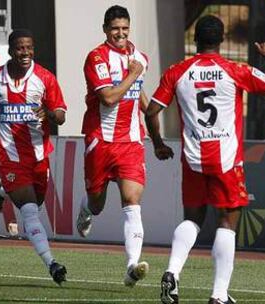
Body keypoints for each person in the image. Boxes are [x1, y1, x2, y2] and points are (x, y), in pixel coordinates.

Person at [145, 15, 265, 304]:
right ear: (221, 41)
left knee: (193, 219)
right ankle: (219, 296)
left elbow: (150, 112)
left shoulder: (178, 71)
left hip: (193, 158)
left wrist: (159, 144)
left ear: (195, 40)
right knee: (226, 222)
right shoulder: (235, 70)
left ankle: (173, 272)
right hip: (226, 159)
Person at [0, 29, 67, 286]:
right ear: (10, 51)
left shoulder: (45, 78)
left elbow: (61, 114)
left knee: (35, 204)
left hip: (38, 154)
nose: (25, 53)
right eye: (20, 48)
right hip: (7, 153)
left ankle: (1, 190)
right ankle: (52, 263)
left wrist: (48, 112)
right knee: (29, 212)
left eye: (29, 48)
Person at [76, 5, 149, 287]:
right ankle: (85, 208)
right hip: (100, 140)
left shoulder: (139, 58)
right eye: (115, 28)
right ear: (106, 29)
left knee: (132, 201)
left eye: (125, 29)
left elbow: (139, 95)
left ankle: (132, 267)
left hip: (131, 141)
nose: (120, 33)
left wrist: (155, 136)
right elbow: (108, 98)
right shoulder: (96, 57)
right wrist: (132, 74)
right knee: (97, 202)